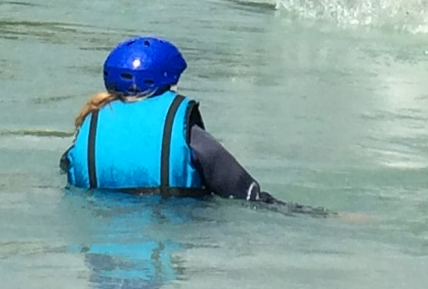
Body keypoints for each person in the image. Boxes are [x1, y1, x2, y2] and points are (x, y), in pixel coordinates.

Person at [62, 36, 279, 203]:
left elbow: (68, 169)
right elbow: (243, 191)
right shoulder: (185, 130)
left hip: (100, 227)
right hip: (172, 226)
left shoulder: (89, 126)